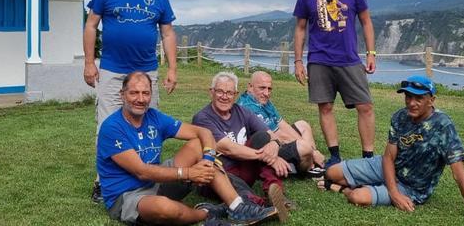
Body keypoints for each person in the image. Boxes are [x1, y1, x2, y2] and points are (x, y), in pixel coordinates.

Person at [97, 71, 278, 226]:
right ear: (122, 95)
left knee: (199, 144)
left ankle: (238, 207)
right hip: (127, 196)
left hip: (157, 180)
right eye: (134, 93)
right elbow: (142, 172)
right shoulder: (112, 127)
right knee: (164, 208)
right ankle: (207, 213)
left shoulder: (153, 117)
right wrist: (189, 173)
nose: (140, 99)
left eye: (145, 93)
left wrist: (207, 161)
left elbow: (203, 132)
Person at [321, 75, 464, 226]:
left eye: (418, 98)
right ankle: (368, 185)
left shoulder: (443, 126)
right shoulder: (399, 117)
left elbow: (459, 174)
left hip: (411, 187)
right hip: (387, 168)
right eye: (408, 97)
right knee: (331, 171)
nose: (411, 103)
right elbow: (389, 157)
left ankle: (341, 189)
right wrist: (393, 192)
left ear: (431, 100)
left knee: (358, 197)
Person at [84, 0, 179, 202]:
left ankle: (147, 176)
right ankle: (103, 183)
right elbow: (91, 25)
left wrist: (172, 68)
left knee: (147, 124)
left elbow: (167, 32)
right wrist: (89, 62)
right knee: (107, 125)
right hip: (112, 70)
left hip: (146, 71)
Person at [293, 0, 376, 167]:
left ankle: (368, 157)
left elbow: (366, 21)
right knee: (326, 107)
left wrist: (371, 53)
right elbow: (300, 28)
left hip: (349, 58)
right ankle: (335, 155)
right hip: (319, 59)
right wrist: (299, 61)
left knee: (365, 106)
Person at [192, 72, 292, 223]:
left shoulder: (242, 111)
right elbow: (227, 148)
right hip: (217, 176)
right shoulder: (202, 118)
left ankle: (274, 191)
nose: (224, 97)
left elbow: (271, 134)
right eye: (220, 91)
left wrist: (274, 146)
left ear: (236, 94)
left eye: (229, 92)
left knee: (262, 138)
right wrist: (268, 156)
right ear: (211, 92)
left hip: (243, 168)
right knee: (225, 175)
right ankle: (254, 204)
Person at [237, 70, 326, 176]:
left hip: (275, 140)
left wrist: (310, 149)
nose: (266, 93)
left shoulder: (261, 100)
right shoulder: (249, 107)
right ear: (250, 87)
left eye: (269, 89)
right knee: (304, 148)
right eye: (262, 88)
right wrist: (311, 150)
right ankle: (306, 167)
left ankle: (310, 161)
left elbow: (282, 124)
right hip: (266, 147)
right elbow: (278, 135)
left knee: (303, 125)